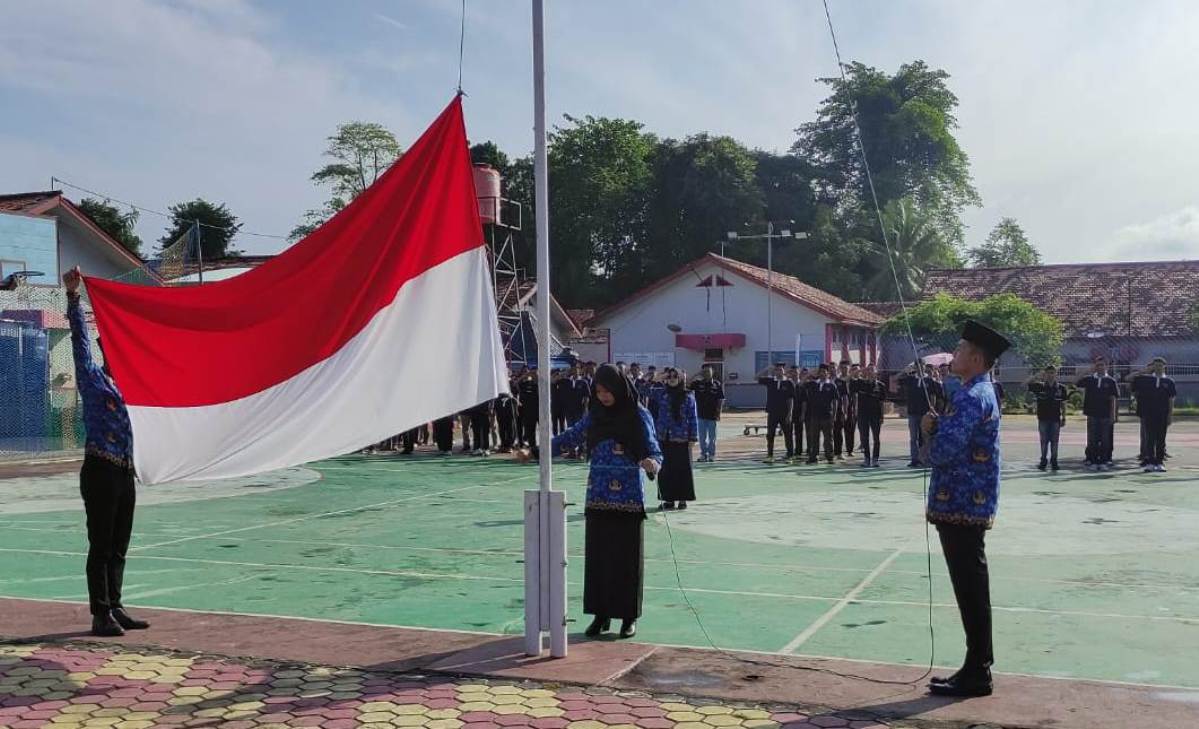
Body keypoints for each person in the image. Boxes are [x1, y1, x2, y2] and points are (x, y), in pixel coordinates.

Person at [517, 364, 662, 639]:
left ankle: (628, 616)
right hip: (598, 495)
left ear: (619, 389)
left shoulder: (638, 415)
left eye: (608, 391)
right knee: (599, 559)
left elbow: (654, 448)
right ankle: (601, 614)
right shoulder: (595, 416)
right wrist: (536, 451)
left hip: (628, 497)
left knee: (626, 560)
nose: (604, 396)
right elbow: (569, 437)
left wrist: (653, 463)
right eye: (599, 391)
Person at [922, 320, 1010, 698]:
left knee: (970, 588)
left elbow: (943, 452)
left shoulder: (971, 396)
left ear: (975, 358)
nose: (953, 355)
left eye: (958, 350)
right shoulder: (978, 391)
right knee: (972, 587)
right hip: (968, 502)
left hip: (960, 503)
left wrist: (930, 430)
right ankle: (977, 666)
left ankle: (978, 671)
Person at [64, 267, 150, 638]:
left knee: (119, 545)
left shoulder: (134, 386)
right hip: (100, 468)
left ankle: (116, 605)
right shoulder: (93, 378)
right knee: (100, 543)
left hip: (124, 473)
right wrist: (74, 296)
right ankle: (100, 614)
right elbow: (80, 342)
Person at [654, 369, 698, 510]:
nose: (672, 379)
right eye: (670, 377)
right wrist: (659, 377)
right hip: (664, 437)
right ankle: (668, 499)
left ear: (680, 379)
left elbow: (693, 417)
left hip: (681, 437)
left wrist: (693, 437)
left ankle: (682, 499)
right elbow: (644, 390)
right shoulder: (662, 394)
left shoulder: (687, 395)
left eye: (675, 376)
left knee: (682, 469)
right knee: (665, 469)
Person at [1128, 358, 1176, 472]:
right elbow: (1128, 378)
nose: (1158, 367)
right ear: (1153, 366)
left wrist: (1170, 415)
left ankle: (1159, 462)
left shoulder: (1169, 381)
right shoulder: (1145, 379)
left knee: (1161, 438)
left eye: (1160, 365)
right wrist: (1144, 371)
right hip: (1148, 413)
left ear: (1164, 367)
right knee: (1149, 438)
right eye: (1156, 365)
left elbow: (1171, 399)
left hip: (1162, 414)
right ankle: (1149, 461)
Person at [1075, 357, 1118, 470]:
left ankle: (1104, 461)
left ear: (1106, 366)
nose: (1100, 367)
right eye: (1098, 365)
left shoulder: (1111, 381)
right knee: (1092, 438)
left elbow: (1113, 399)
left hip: (1105, 414)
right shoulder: (1089, 379)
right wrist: (1087, 371)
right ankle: (1092, 460)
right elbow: (1076, 382)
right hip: (1092, 413)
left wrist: (1112, 415)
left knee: (1105, 439)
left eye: (1102, 365)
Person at [899, 362, 941, 467]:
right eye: (917, 366)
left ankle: (925, 459)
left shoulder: (929, 380)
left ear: (924, 367)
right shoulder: (911, 379)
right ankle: (914, 459)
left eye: (921, 366)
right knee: (914, 438)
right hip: (912, 412)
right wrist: (905, 371)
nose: (919, 368)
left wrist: (932, 407)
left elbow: (935, 395)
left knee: (925, 437)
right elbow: (896, 380)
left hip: (924, 413)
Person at [1026, 366, 1067, 471]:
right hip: (1043, 418)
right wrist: (1037, 375)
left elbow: (1063, 403)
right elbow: (1025, 383)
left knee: (1055, 441)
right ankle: (1043, 461)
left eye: (1052, 373)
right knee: (1043, 441)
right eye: (1048, 373)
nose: (1050, 375)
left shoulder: (1061, 388)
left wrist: (1064, 417)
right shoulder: (1039, 387)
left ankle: (1054, 461)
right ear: (1045, 374)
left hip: (1055, 419)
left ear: (1056, 374)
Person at [757, 363, 796, 463]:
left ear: (784, 371)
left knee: (788, 435)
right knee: (770, 434)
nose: (779, 371)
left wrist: (790, 414)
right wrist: (767, 368)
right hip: (772, 412)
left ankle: (789, 456)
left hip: (785, 413)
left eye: (781, 370)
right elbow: (756, 377)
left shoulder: (789, 383)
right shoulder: (771, 381)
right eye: (777, 370)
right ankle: (770, 455)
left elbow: (791, 399)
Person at [853, 365, 887, 468]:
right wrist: (859, 371)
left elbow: (882, 402)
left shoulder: (881, 385)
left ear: (876, 372)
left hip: (875, 415)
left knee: (876, 438)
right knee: (864, 438)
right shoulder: (861, 383)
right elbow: (851, 378)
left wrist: (882, 416)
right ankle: (866, 459)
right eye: (868, 370)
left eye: (872, 370)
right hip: (863, 415)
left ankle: (875, 459)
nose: (870, 372)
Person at [689, 366, 725, 462]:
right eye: (704, 371)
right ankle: (703, 454)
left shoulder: (717, 384)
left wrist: (719, 413)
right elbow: (686, 384)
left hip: (713, 415)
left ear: (712, 372)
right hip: (700, 414)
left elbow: (720, 399)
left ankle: (712, 454)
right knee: (702, 437)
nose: (706, 373)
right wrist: (696, 374)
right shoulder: (698, 383)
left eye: (708, 371)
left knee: (712, 437)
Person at [805, 364, 838, 464]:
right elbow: (801, 383)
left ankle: (830, 457)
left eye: (824, 372)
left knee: (828, 438)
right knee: (814, 437)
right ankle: (813, 457)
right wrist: (812, 373)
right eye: (820, 372)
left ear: (828, 374)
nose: (822, 374)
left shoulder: (831, 385)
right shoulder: (813, 384)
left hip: (827, 415)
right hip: (815, 415)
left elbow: (835, 401)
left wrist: (834, 415)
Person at [833, 361, 856, 459]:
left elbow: (855, 395)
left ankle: (850, 450)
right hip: (838, 408)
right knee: (837, 430)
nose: (844, 370)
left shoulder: (853, 381)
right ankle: (838, 452)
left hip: (850, 407)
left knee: (850, 430)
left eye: (846, 368)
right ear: (839, 369)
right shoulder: (836, 380)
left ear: (849, 369)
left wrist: (855, 408)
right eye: (842, 368)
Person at [517, 368, 540, 448]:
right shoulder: (526, 383)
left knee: (544, 430)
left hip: (540, 411)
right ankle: (532, 447)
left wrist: (537, 377)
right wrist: (525, 375)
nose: (534, 375)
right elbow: (516, 384)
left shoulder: (541, 383)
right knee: (530, 431)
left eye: (535, 373)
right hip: (529, 411)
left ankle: (544, 446)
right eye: (532, 373)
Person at [792, 367, 809, 461]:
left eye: (796, 372)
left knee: (802, 432)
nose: (795, 373)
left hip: (801, 411)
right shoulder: (789, 383)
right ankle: (794, 450)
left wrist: (803, 413)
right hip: (791, 411)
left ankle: (803, 450)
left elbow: (804, 401)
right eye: (793, 372)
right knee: (791, 432)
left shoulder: (804, 385)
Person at [551, 369, 572, 436]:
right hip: (554, 406)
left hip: (562, 406)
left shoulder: (564, 381)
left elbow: (569, 380)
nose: (558, 375)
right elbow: (553, 381)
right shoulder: (552, 382)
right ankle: (555, 436)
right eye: (556, 374)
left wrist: (563, 375)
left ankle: (561, 437)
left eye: (558, 374)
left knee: (562, 423)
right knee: (554, 423)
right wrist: (556, 377)